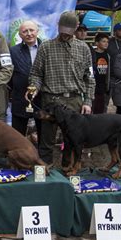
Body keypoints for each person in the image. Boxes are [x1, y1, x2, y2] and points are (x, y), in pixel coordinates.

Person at [27, 11, 95, 164]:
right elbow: (36, 73)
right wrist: (34, 87)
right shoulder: (46, 47)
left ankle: (68, 171)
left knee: (72, 140)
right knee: (46, 141)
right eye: (62, 31)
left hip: (74, 100)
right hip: (50, 100)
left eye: (68, 32)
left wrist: (88, 101)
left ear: (76, 28)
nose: (65, 34)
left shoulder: (84, 49)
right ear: (58, 26)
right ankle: (44, 170)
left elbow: (90, 78)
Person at [9, 20, 42, 137]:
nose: (29, 34)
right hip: (20, 100)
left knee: (43, 138)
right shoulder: (13, 51)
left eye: (31, 30)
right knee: (17, 138)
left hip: (42, 101)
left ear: (37, 31)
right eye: (25, 31)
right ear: (20, 35)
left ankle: (42, 156)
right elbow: (9, 76)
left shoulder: (46, 48)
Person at [91, 32, 112, 114]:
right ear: (97, 43)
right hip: (93, 85)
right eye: (103, 41)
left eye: (107, 42)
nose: (106, 43)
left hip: (103, 86)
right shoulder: (92, 54)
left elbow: (108, 72)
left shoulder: (107, 55)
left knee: (101, 109)